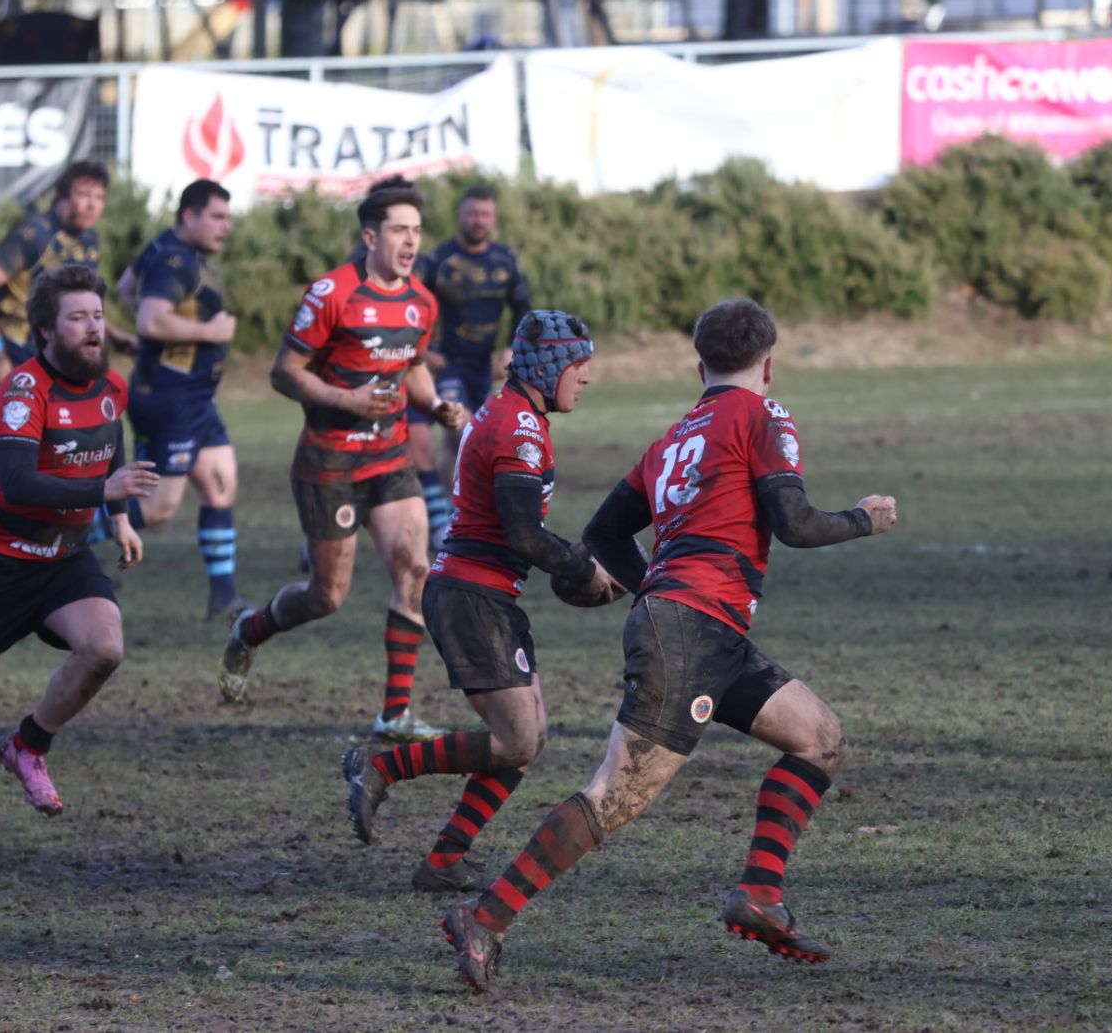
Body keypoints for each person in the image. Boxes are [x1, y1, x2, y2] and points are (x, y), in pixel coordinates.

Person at [439, 298, 898, 992]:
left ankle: (760, 894)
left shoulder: (673, 437)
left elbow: (602, 534)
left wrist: (647, 585)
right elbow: (796, 524)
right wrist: (863, 519)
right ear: (768, 364)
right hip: (691, 628)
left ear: (698, 365)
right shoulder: (763, 416)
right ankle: (485, 916)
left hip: (707, 628)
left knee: (820, 737)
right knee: (615, 797)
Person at [341, 310, 619, 891]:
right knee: (517, 739)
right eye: (579, 364)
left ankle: (445, 859)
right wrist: (579, 566)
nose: (586, 377)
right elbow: (523, 533)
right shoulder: (517, 427)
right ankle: (381, 767)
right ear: (547, 367)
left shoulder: (514, 414)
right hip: (472, 596)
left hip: (488, 594)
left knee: (527, 741)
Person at [0, 265, 159, 857]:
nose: (94, 328)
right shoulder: (22, 392)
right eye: (79, 318)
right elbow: (16, 483)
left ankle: (28, 745)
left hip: (63, 558)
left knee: (105, 648)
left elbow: (108, 435)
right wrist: (104, 495)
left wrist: (117, 519)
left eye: (97, 315)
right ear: (45, 330)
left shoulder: (108, 385)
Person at [220, 185, 468, 742]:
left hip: (390, 456)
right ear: (370, 236)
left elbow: (412, 367)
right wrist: (346, 400)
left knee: (415, 569)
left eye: (417, 230)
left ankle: (395, 714)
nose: (411, 241)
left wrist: (435, 404)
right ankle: (250, 627)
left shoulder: (421, 302)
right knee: (325, 597)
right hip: (329, 461)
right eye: (400, 230)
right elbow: (285, 372)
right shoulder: (331, 293)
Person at [0, 161, 131, 593]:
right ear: (62, 195)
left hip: (56, 368)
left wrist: (114, 334)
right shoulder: (36, 235)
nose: (91, 204)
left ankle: (54, 554)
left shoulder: (88, 241)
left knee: (68, 455)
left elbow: (80, 303)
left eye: (99, 197)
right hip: (11, 364)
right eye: (83, 194)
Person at [115, 179, 246, 621]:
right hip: (170, 399)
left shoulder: (165, 250)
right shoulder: (176, 259)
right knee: (156, 509)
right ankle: (57, 533)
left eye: (227, 218)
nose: (225, 227)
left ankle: (223, 597)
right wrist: (207, 333)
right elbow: (152, 320)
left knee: (219, 479)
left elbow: (125, 288)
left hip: (193, 399)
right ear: (189, 215)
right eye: (217, 216)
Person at [420, 184, 533, 541]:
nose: (478, 220)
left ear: (494, 218)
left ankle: (443, 509)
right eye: (472, 213)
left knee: (461, 442)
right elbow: (418, 306)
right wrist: (425, 348)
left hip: (484, 367)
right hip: (447, 363)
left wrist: (513, 347)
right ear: (460, 216)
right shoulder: (440, 260)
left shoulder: (504, 261)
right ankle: (454, 520)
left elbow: (523, 307)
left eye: (485, 214)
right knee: (461, 431)